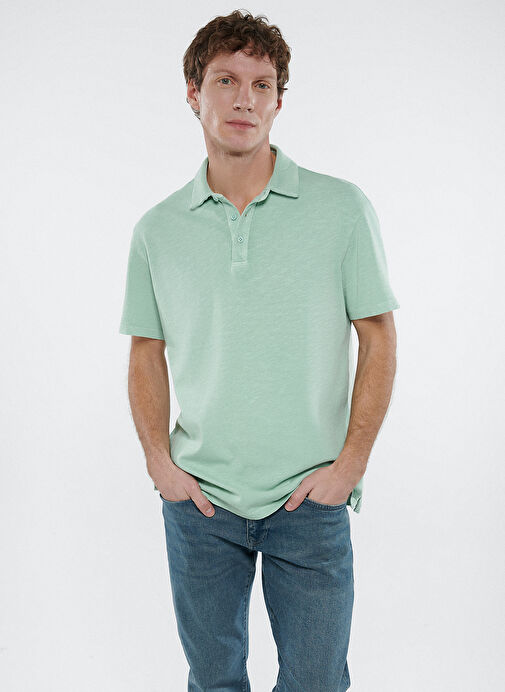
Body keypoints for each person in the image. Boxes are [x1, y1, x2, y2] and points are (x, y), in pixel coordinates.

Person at [119, 9, 400, 692]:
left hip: (309, 497)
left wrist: (349, 467)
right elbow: (146, 349)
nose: (244, 99)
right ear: (194, 93)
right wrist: (159, 463)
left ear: (279, 101)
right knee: (212, 681)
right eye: (226, 80)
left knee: (316, 682)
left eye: (262, 84)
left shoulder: (341, 209)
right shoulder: (158, 230)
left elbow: (377, 335)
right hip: (200, 501)